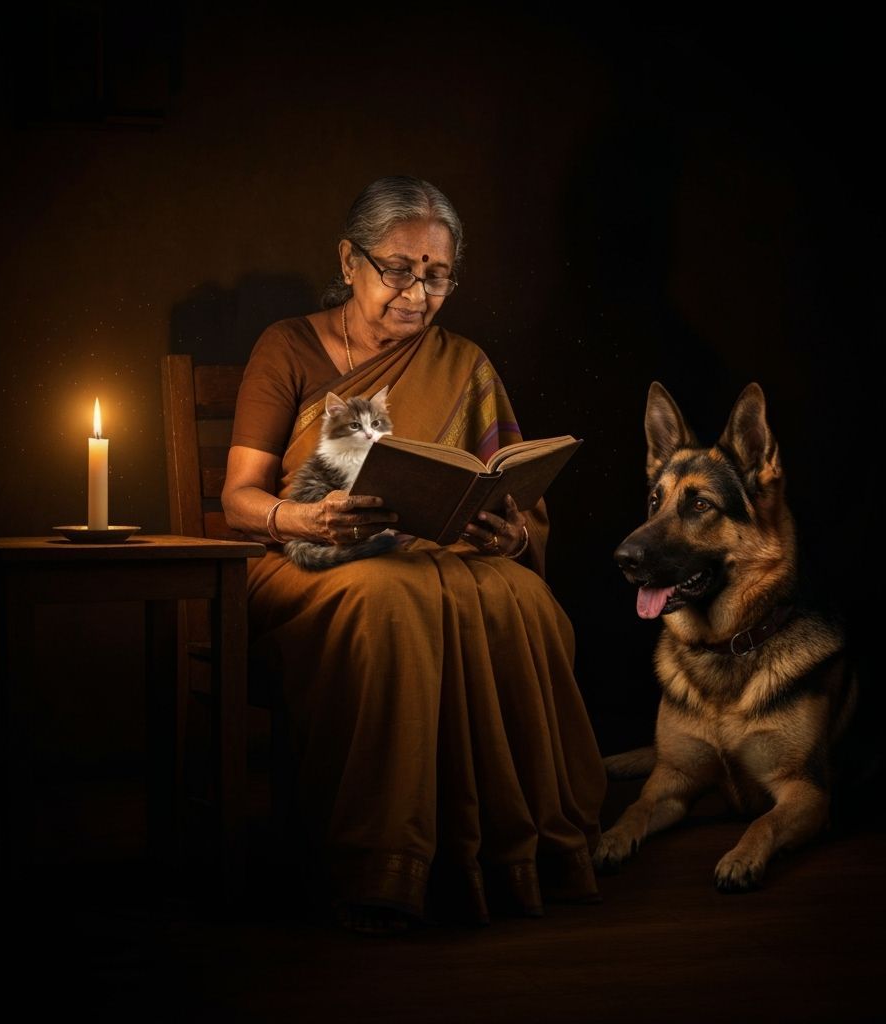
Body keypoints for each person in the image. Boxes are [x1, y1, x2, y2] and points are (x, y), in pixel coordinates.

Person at [222, 175, 607, 933]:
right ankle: (380, 863)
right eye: (399, 269)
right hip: (304, 561)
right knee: (390, 600)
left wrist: (514, 534)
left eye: (437, 275)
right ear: (349, 260)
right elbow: (239, 499)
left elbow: (512, 491)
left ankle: (506, 859)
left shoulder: (464, 361)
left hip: (435, 557)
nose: (417, 293)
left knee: (519, 596)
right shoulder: (288, 346)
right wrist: (306, 516)